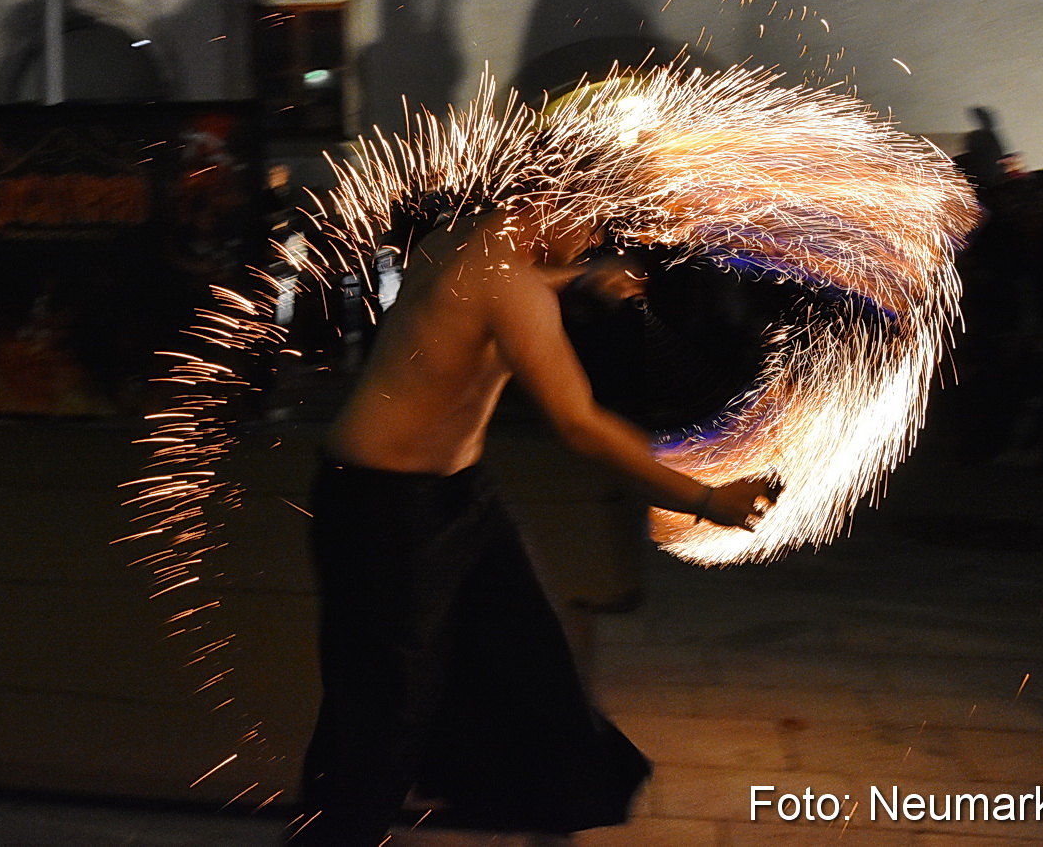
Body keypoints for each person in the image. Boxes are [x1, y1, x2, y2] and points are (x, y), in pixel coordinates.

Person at [294, 202, 783, 846]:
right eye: (590, 228)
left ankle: (554, 810)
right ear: (553, 200)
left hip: (456, 495)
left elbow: (482, 299)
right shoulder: (505, 279)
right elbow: (580, 425)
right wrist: (703, 499)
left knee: (528, 649)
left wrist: (578, 278)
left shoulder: (466, 240)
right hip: (384, 511)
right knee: (384, 704)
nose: (591, 244)